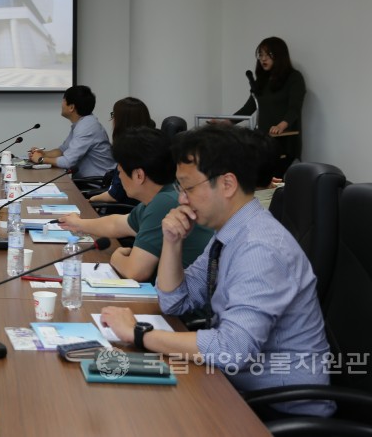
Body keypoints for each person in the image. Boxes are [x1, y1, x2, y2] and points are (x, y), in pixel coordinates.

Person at [100, 125, 333, 417]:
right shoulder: (230, 233)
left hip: (278, 407)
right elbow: (175, 301)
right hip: (236, 387)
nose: (182, 199)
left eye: (188, 188)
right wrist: (171, 242)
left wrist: (139, 334)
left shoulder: (260, 248)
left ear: (227, 184)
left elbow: (233, 348)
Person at [58, 127, 212, 281]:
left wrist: (116, 257)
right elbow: (116, 224)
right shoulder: (163, 195)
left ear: (139, 175)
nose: (119, 177)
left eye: (120, 172)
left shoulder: (164, 203)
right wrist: (78, 223)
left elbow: (135, 272)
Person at [234, 36, 306, 177]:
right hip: (263, 143)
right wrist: (226, 122)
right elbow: (249, 108)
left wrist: (281, 126)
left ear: (279, 56)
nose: (263, 59)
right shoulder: (261, 82)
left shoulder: (294, 78)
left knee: (276, 185)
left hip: (285, 142)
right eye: (260, 55)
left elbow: (294, 108)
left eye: (268, 55)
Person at [27, 85, 114, 179]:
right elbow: (62, 150)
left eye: (63, 100)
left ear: (71, 107)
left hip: (97, 184)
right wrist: (44, 153)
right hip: (87, 182)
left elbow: (67, 162)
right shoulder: (83, 123)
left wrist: (41, 159)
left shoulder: (87, 127)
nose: (61, 104)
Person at [87, 97, 155, 204]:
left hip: (123, 210)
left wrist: (90, 200)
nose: (112, 120)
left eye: (114, 116)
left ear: (122, 121)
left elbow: (115, 195)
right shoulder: (148, 145)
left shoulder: (128, 150)